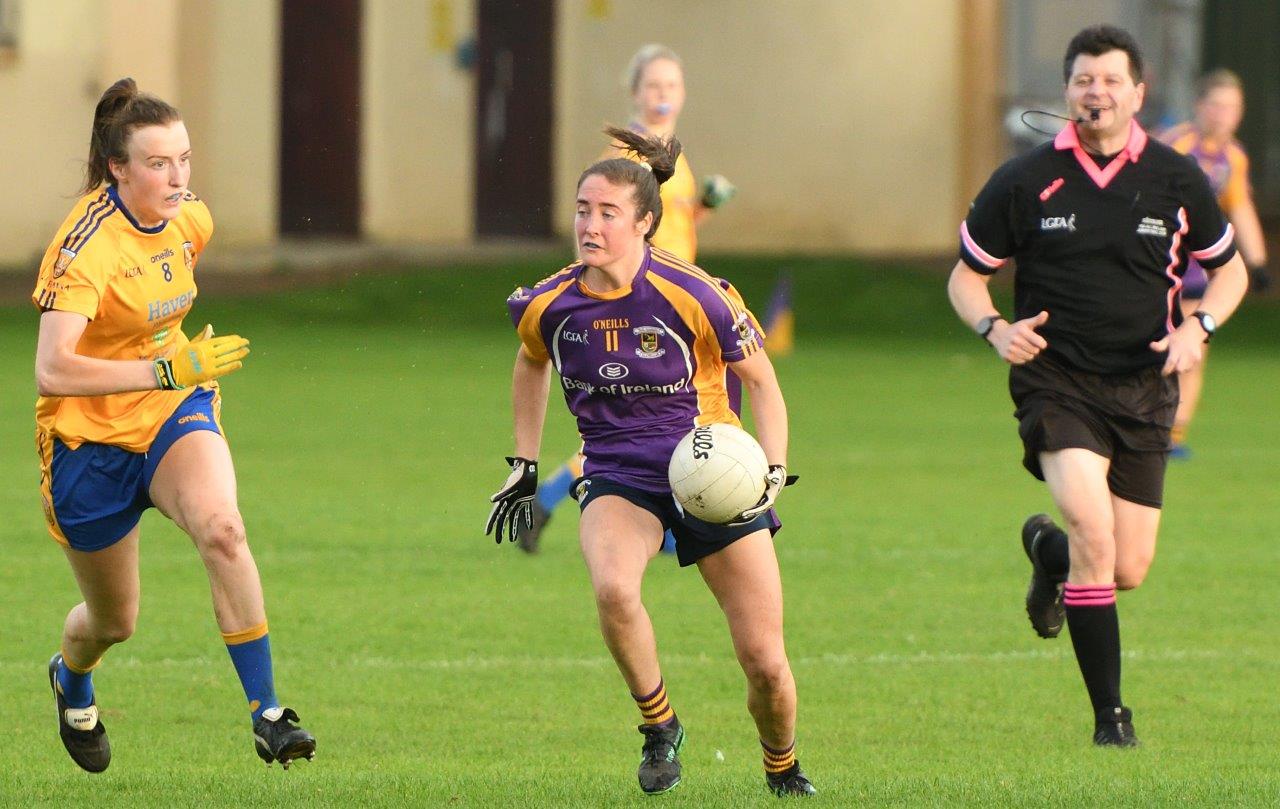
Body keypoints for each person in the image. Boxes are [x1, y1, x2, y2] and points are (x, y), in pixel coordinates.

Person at [485, 127, 814, 797]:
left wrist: (772, 472)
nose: (590, 224)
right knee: (612, 586)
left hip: (713, 479)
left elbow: (764, 382)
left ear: (643, 223)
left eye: (607, 212)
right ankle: (659, 724)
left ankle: (782, 763)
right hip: (620, 477)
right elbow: (529, 362)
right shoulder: (552, 304)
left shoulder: (697, 293)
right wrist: (523, 463)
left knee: (767, 666)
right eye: (582, 209)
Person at [946, 26, 1248, 747]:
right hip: (1057, 383)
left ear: (1138, 94)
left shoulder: (1177, 179)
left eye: (1111, 80)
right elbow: (966, 275)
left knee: (1127, 565)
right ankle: (1112, 716)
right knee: (1095, 529)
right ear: (1068, 90)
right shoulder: (1025, 179)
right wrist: (994, 329)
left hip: (1145, 390)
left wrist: (1197, 329)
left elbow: (1230, 270)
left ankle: (1046, 554)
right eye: (1084, 79)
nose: (1097, 92)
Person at [33, 78, 315, 772]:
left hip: (171, 409)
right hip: (86, 440)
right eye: (157, 164)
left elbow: (159, 305)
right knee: (112, 622)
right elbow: (53, 370)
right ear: (117, 168)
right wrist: (164, 369)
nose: (177, 177)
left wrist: (175, 373)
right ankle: (71, 678)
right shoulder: (83, 247)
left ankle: (268, 713)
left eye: (184, 159)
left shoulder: (191, 221)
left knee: (223, 527)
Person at [521, 43, 736, 554]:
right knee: (644, 424)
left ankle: (658, 521)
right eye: (653, 86)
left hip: (680, 300)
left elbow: (671, 224)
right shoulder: (626, 156)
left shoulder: (669, 156)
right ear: (635, 92)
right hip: (647, 306)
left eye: (672, 85)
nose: (663, 95)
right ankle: (577, 503)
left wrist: (704, 204)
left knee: (670, 417)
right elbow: (624, 240)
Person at [1159, 69, 1269, 459]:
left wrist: (1256, 263)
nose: (1224, 115)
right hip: (1159, 260)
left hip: (1198, 267)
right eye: (1218, 105)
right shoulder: (1176, 145)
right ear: (1199, 106)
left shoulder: (1233, 156)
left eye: (1233, 108)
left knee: (1193, 345)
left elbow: (1240, 205)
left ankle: (1173, 434)